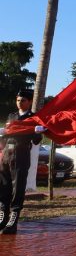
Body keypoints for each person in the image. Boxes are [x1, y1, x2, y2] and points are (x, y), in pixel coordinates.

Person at [0, 90, 46, 234]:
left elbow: (36, 140)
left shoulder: (33, 118)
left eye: (23, 100)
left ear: (30, 102)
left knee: (18, 188)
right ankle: (2, 217)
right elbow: (6, 135)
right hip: (7, 153)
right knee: (3, 186)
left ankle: (13, 221)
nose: (20, 103)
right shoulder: (12, 115)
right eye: (18, 100)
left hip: (21, 153)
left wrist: (38, 132)